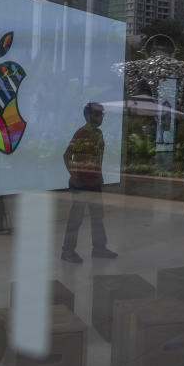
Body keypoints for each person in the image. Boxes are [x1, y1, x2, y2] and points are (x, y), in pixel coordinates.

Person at [61, 102, 117, 263]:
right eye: (97, 114)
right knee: (76, 219)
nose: (100, 117)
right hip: (81, 184)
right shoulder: (81, 134)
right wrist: (75, 175)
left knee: (97, 217)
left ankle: (99, 248)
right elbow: (66, 155)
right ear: (88, 116)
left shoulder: (98, 134)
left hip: (94, 182)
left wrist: (98, 175)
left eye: (101, 114)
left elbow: (99, 157)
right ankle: (68, 251)